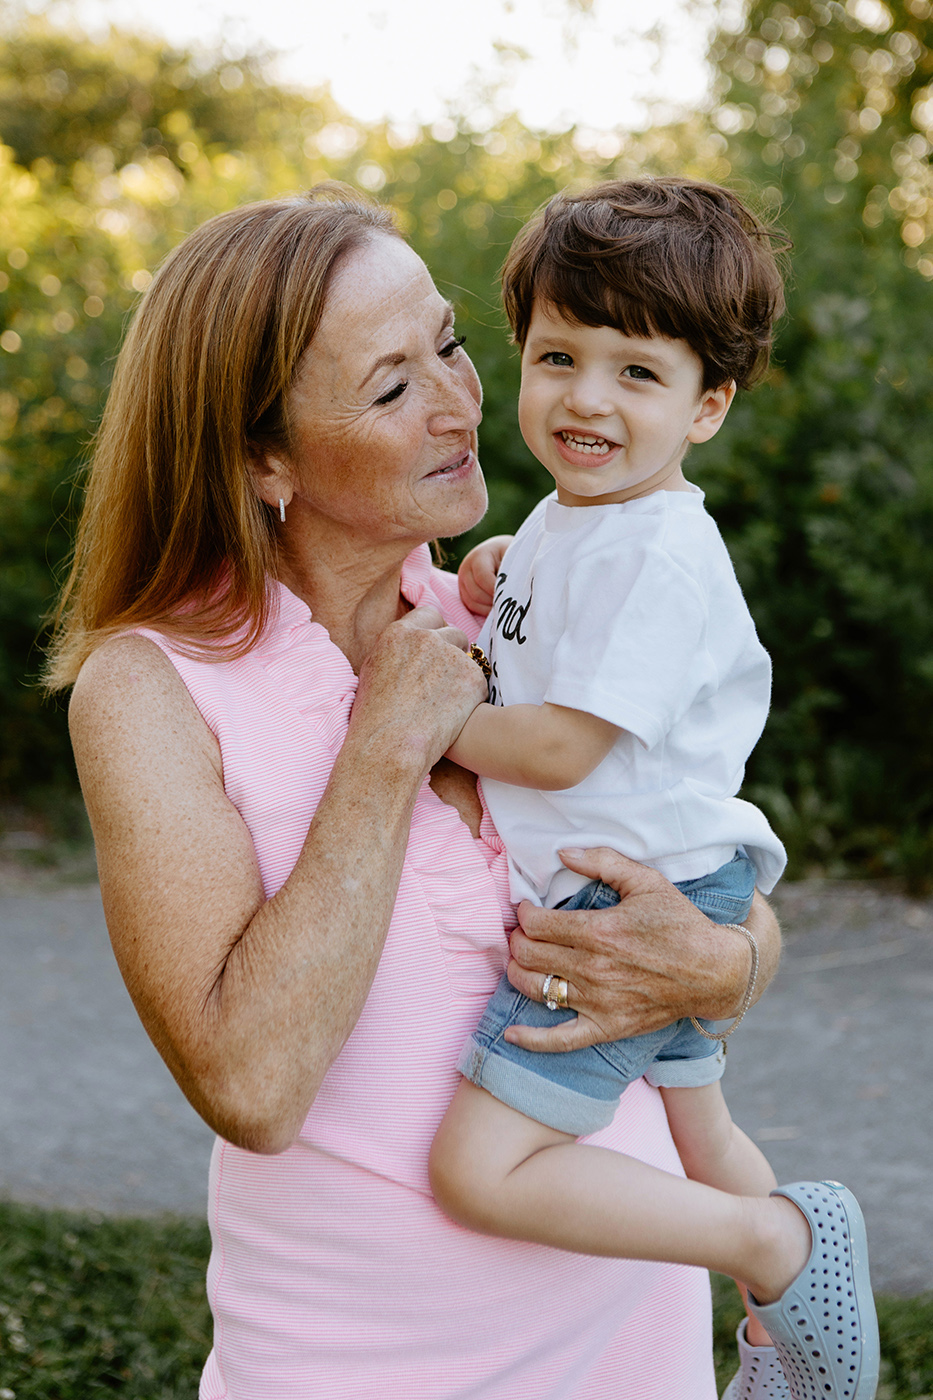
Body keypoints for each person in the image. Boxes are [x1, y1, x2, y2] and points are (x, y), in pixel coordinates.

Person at [47, 184, 786, 1399]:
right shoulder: (153, 688)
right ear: (262, 454)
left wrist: (728, 965)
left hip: (635, 1358)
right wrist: (384, 748)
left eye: (447, 342)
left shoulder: (501, 624)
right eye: (392, 387)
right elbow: (252, 1084)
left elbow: (706, 860)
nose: (459, 404)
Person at [428, 179, 879, 1400]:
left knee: (480, 1167)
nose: (586, 397)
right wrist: (495, 577)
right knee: (700, 1130)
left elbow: (566, 746)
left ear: (708, 405)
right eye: (560, 354)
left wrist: (435, 726)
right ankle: (798, 1339)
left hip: (629, 891)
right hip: (670, 870)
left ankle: (774, 1239)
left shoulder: (661, 550)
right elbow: (550, 624)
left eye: (639, 373)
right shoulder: (584, 518)